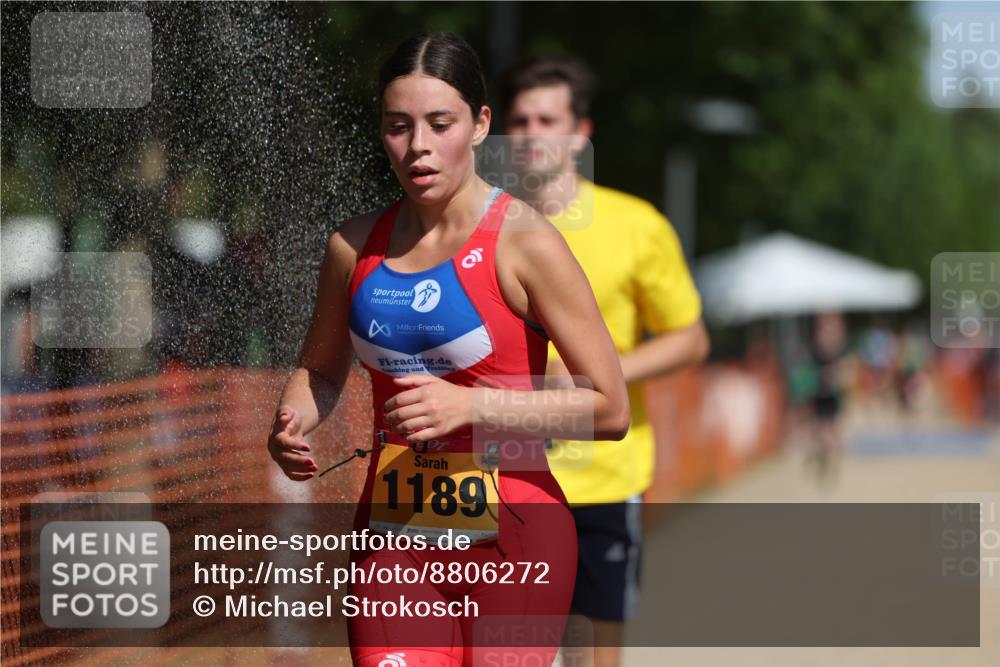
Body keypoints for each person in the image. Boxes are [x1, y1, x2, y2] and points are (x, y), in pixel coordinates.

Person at [266, 33, 630, 667]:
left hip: (515, 536)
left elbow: (609, 409)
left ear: (481, 123)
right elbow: (320, 370)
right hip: (396, 535)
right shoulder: (354, 248)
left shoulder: (525, 242)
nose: (419, 147)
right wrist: (293, 418)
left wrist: (470, 407)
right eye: (398, 127)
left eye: (441, 124)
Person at [498, 57, 709, 667]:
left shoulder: (634, 224)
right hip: (501, 474)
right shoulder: (476, 227)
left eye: (548, 118)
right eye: (520, 120)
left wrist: (602, 377)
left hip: (603, 479)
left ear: (580, 132)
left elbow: (691, 339)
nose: (533, 132)